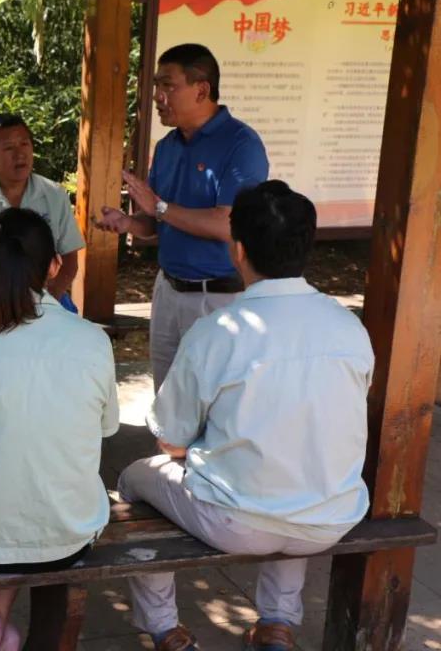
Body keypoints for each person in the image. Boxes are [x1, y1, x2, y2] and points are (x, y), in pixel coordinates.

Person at [117, 181, 373, 651]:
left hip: (235, 522)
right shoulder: (349, 327)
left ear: (237, 250)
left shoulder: (217, 331)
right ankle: (277, 624)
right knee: (294, 474)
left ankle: (165, 629)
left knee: (133, 479)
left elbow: (171, 441)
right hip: (333, 514)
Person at [0, 208, 119, 650]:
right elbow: (107, 427)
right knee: (32, 508)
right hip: (70, 529)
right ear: (54, 266)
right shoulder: (92, 339)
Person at [95, 43, 269, 390]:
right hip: (168, 290)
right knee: (167, 394)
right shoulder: (167, 147)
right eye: (156, 86)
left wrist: (159, 207)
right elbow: (156, 221)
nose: (157, 96)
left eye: (167, 86)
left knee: (211, 398)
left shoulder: (241, 144)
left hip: (217, 298)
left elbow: (227, 224)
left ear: (201, 90)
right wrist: (129, 223)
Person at [0, 114, 85, 325]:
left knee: (70, 333)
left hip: (46, 296)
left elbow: (69, 259)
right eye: (9, 147)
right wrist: (6, 303)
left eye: (24, 144)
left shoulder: (54, 194)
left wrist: (48, 299)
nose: (20, 154)